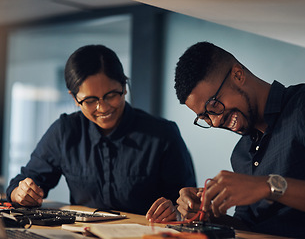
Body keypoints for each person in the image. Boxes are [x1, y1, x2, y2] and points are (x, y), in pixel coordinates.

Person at [146, 41, 305, 238]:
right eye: (204, 117)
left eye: (213, 106)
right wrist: (207, 215)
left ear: (238, 75)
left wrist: (270, 186)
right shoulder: (241, 153)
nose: (215, 121)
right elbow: (249, 227)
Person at [6, 44, 196, 215]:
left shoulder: (163, 134)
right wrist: (22, 193)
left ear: (124, 86)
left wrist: (177, 210)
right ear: (74, 99)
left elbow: (188, 203)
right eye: (90, 101)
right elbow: (23, 182)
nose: (103, 108)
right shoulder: (65, 132)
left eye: (111, 95)